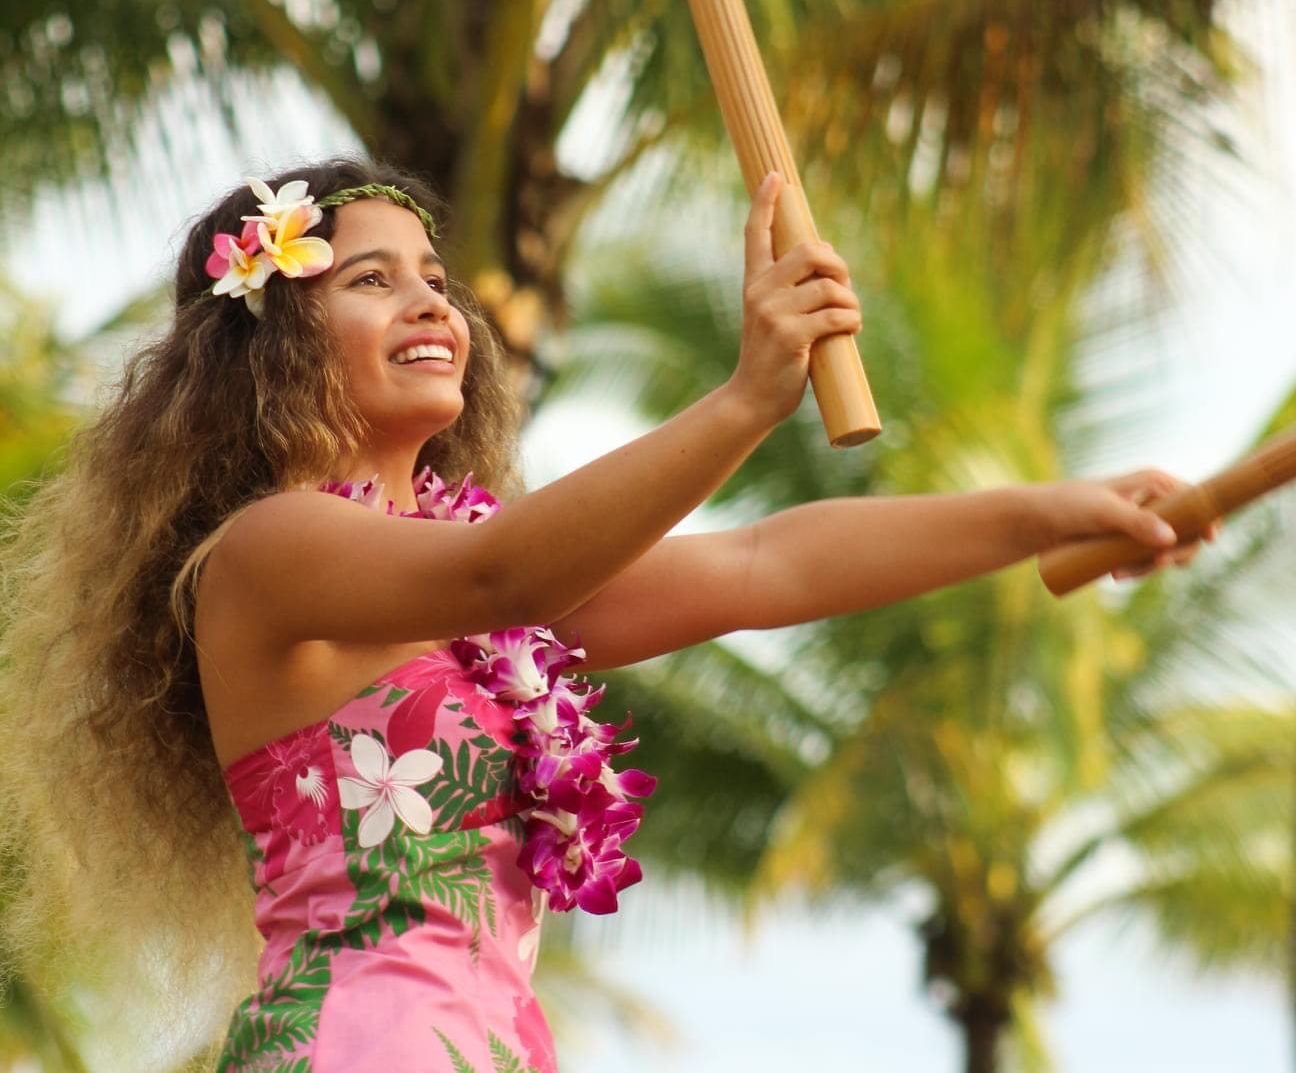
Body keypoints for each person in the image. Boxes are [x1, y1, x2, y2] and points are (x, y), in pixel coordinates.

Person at [0, 156, 1203, 1073]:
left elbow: (765, 567)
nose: (432, 305)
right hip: (367, 1040)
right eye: (371, 280)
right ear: (266, 342)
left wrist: (1050, 513)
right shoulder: (265, 553)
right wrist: (746, 398)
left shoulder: (471, 579)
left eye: (434, 279)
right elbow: (502, 576)